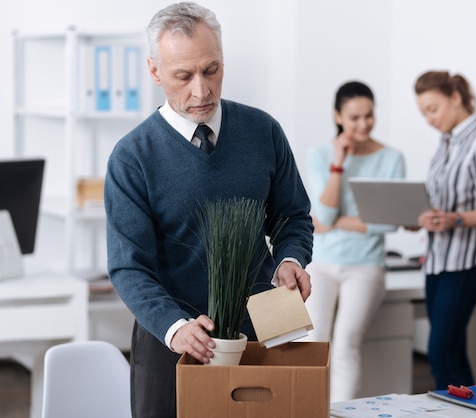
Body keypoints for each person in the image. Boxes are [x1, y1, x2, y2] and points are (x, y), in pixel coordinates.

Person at [103, 3, 314, 417]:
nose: (201, 91)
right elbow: (129, 268)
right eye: (183, 76)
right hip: (173, 339)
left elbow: (293, 216)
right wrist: (176, 327)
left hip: (264, 329)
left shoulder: (263, 131)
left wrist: (291, 258)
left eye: (211, 70)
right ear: (155, 71)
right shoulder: (131, 157)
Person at [303, 81, 406, 402]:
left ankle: (340, 412)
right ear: (338, 116)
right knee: (314, 340)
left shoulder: (391, 158)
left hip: (365, 266)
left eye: (369, 116)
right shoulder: (320, 155)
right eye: (354, 117)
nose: (363, 124)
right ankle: (310, 408)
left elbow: (388, 222)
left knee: (346, 342)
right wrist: (338, 163)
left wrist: (333, 224)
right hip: (321, 263)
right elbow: (325, 210)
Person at [411, 70, 476, 390]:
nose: (428, 118)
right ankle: (472, 410)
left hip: (468, 259)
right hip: (440, 257)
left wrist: (455, 219)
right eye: (423, 112)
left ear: (455, 98)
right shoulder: (446, 143)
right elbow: (443, 199)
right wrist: (422, 217)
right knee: (451, 350)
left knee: (439, 353)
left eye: (433, 108)